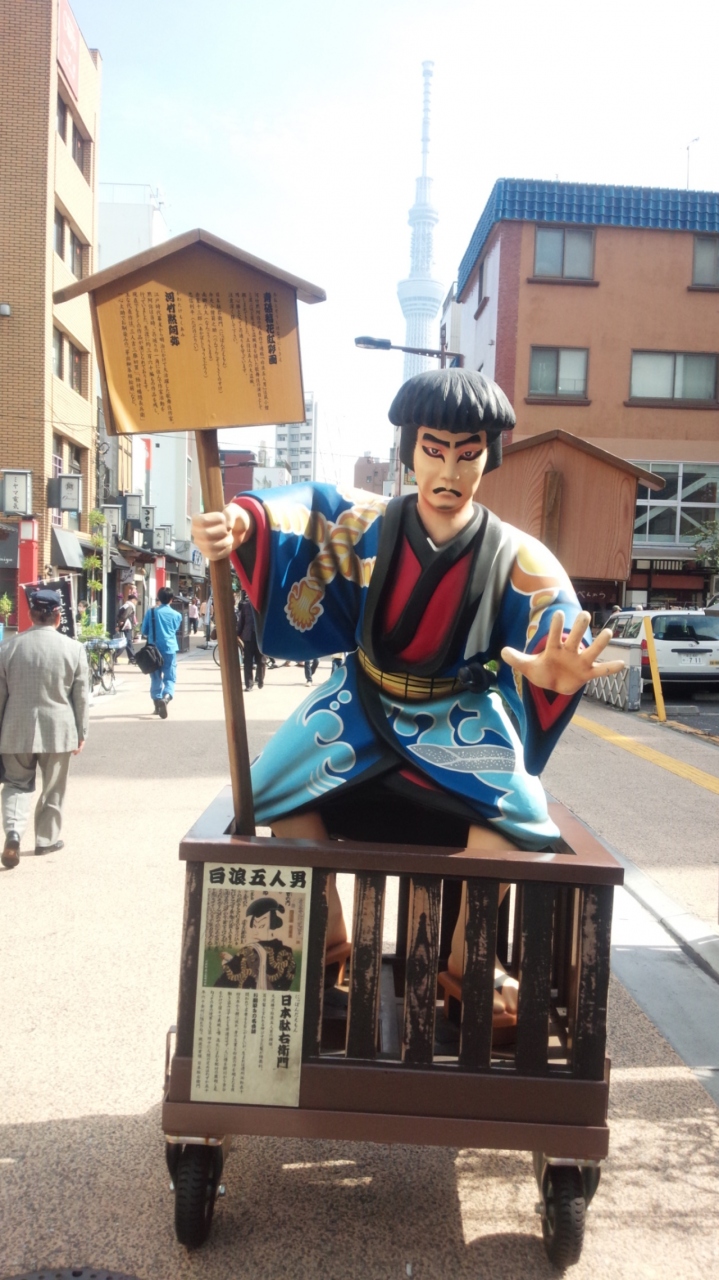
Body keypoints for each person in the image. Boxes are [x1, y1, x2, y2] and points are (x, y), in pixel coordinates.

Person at [192, 369, 623, 1007]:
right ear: (409, 450)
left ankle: (470, 963)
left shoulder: (520, 558)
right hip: (360, 701)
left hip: (459, 712)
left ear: (489, 456)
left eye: (467, 454)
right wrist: (242, 522)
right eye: (433, 449)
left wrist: (553, 679)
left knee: (520, 820)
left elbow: (553, 632)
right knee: (269, 795)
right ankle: (326, 938)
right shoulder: (363, 521)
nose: (449, 472)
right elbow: (304, 509)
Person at [0, 588, 88, 868]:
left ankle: (14, 832)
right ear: (58, 616)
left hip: (15, 728)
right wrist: (81, 732)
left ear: (30, 614)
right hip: (59, 730)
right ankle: (46, 840)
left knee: (16, 784)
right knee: (53, 787)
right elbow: (81, 696)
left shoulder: (8, 648)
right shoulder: (74, 649)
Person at [141, 586, 182, 718]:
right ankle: (166, 698)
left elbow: (144, 631)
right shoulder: (177, 615)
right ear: (171, 599)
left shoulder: (151, 612)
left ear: (158, 598)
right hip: (170, 649)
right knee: (170, 677)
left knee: (155, 677)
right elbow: (175, 629)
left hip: (153, 650)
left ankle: (157, 705)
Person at [236, 590, 265, 691]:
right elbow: (241, 622)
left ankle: (260, 680)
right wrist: (237, 634)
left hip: (260, 638)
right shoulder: (246, 607)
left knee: (261, 661)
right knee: (248, 662)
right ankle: (249, 684)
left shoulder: (263, 607)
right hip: (248, 637)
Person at [117, 587, 138, 663]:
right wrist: (121, 622)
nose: (136, 603)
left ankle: (131, 658)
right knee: (127, 641)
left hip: (124, 625)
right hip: (126, 625)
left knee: (126, 641)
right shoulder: (130, 606)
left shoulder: (125, 605)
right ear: (133, 600)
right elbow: (125, 615)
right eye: (136, 601)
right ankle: (132, 658)